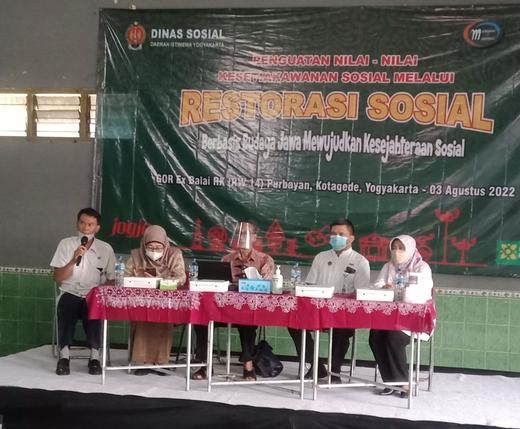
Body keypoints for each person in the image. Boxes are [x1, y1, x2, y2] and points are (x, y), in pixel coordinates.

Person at [288, 217, 370, 383]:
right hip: (317, 310)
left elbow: (362, 294)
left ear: (351, 238)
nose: (336, 237)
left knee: (341, 330)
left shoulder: (360, 261)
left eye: (341, 234)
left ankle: (335, 371)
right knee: (294, 323)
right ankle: (317, 366)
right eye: (333, 234)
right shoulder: (321, 257)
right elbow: (310, 285)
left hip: (344, 313)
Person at [193, 221, 275, 381]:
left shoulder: (265, 260)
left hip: (247, 310)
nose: (242, 237)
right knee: (202, 319)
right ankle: (205, 365)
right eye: (239, 234)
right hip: (223, 309)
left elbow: (266, 286)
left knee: (248, 320)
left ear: (254, 237)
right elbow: (217, 284)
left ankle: (248, 365)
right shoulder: (227, 259)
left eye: (246, 234)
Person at [50, 207, 116, 376]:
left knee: (94, 308)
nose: (85, 227)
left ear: (97, 228)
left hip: (93, 294)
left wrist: (103, 291)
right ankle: (64, 356)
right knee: (67, 305)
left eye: (90, 224)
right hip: (70, 292)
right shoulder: (65, 244)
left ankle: (94, 357)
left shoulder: (106, 249)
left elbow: (112, 279)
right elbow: (57, 277)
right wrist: (73, 259)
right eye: (82, 223)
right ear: (77, 223)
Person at [369, 234, 433, 398]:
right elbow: (377, 285)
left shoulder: (421, 267)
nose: (396, 251)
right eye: (394, 248)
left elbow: (419, 295)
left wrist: (398, 290)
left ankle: (403, 383)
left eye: (401, 248)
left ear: (410, 249)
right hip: (389, 318)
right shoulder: (388, 266)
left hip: (414, 320)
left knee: (393, 337)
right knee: (375, 336)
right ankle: (390, 382)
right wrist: (384, 287)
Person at [124, 225, 186, 375]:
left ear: (165, 245)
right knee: (141, 321)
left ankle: (161, 361)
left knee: (163, 321)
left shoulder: (174, 254)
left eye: (158, 247)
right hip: (141, 300)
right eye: (150, 247)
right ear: (144, 244)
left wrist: (160, 283)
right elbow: (125, 277)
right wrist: (141, 281)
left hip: (165, 300)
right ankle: (141, 362)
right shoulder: (136, 255)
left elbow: (181, 278)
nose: (154, 251)